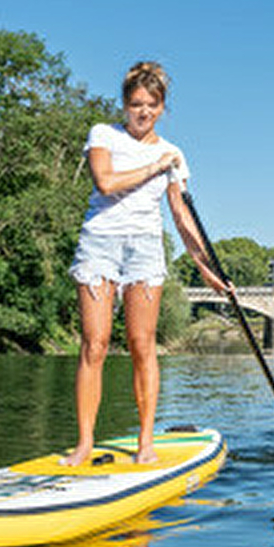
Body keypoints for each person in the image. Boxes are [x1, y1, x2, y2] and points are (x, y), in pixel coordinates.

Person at [63, 61, 226, 467]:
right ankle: (84, 444)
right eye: (136, 104)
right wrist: (156, 165)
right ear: (124, 105)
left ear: (162, 107)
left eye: (152, 105)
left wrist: (207, 268)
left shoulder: (175, 154)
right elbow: (105, 181)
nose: (143, 112)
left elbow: (182, 216)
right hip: (100, 243)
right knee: (94, 345)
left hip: (146, 248)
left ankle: (146, 443)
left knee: (142, 346)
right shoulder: (103, 134)